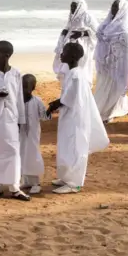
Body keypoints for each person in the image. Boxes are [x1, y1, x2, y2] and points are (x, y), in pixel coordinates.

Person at [47, 42, 110, 194]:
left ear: (73, 56)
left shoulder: (76, 75)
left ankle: (74, 183)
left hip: (76, 118)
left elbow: (70, 98)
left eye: (65, 52)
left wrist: (55, 104)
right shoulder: (74, 72)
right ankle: (65, 177)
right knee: (66, 146)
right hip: (70, 115)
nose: (61, 54)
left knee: (75, 148)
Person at [0, 41, 30, 201]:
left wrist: (21, 120)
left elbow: (19, 98)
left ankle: (14, 187)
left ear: (6, 55)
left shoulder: (16, 74)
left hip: (11, 117)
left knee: (13, 151)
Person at [94, 0, 128, 123]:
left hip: (116, 65)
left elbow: (124, 51)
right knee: (103, 87)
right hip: (104, 64)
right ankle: (105, 109)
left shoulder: (124, 28)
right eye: (113, 6)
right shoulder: (106, 23)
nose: (114, 9)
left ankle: (111, 111)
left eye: (117, 7)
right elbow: (99, 36)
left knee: (114, 88)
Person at [53, 0, 99, 85]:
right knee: (68, 67)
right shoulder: (71, 16)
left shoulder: (87, 16)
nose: (72, 8)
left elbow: (97, 32)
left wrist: (81, 33)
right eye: (71, 6)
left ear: (80, 7)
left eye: (74, 6)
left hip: (83, 47)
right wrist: (65, 31)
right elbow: (69, 27)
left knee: (81, 67)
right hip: (70, 46)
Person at [20, 74, 49, 195]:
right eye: (21, 86)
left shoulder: (37, 101)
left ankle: (36, 183)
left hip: (32, 134)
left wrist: (50, 110)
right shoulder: (18, 101)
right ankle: (26, 180)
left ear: (33, 87)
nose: (23, 89)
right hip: (20, 135)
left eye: (26, 87)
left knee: (32, 155)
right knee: (22, 156)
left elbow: (44, 116)